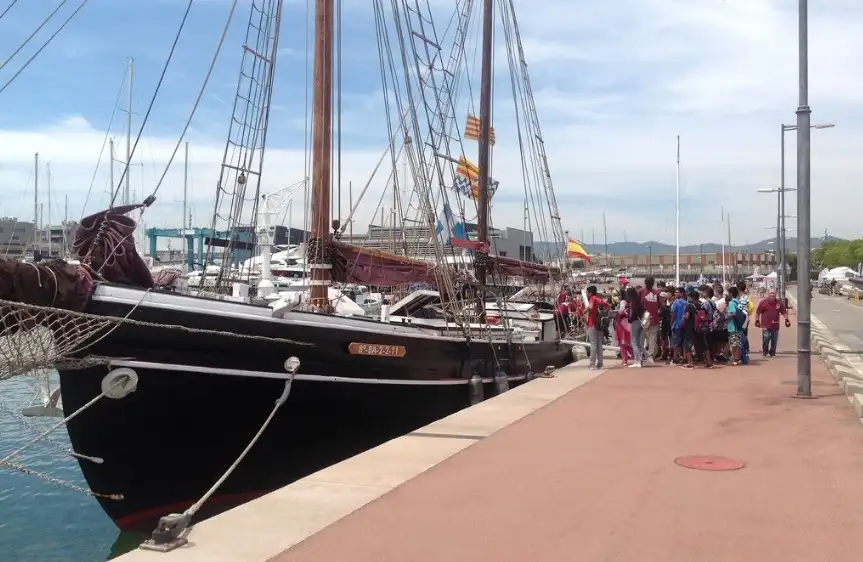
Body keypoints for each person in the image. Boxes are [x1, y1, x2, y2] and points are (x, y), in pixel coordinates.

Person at [755, 289, 791, 357]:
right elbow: (758, 312)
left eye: (774, 293)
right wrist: (757, 321)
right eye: (771, 293)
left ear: (775, 294)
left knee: (774, 340)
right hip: (765, 325)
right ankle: (765, 351)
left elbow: (784, 312)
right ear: (768, 294)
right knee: (766, 338)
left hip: (775, 325)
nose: (772, 295)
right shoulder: (763, 303)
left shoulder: (779, 303)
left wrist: (787, 320)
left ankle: (772, 352)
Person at [586, 285, 611, 370]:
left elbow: (591, 307)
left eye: (587, 292)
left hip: (592, 324)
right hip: (600, 324)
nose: (586, 294)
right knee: (599, 344)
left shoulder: (592, 299)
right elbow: (608, 305)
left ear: (590, 293)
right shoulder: (599, 299)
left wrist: (588, 309)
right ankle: (600, 363)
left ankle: (592, 364)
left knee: (593, 343)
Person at [639, 276, 660, 364]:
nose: (648, 284)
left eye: (650, 283)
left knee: (652, 338)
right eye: (647, 283)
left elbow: (659, 305)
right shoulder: (641, 292)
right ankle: (641, 354)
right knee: (641, 338)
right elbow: (638, 304)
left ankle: (650, 356)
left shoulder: (656, 293)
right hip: (643, 318)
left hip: (653, 318)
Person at [626, 286, 646, 368]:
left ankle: (637, 360)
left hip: (635, 322)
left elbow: (634, 313)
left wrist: (630, 319)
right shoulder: (638, 300)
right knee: (638, 342)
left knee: (633, 341)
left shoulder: (633, 302)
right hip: (641, 322)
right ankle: (640, 359)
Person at [736, 281, 753, 365]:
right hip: (746, 320)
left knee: (741, 338)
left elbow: (742, 310)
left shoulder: (742, 298)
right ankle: (744, 355)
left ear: (738, 288)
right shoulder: (747, 297)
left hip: (742, 320)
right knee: (744, 337)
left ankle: (744, 356)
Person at [726, 286, 743, 365]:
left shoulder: (731, 303)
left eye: (728, 293)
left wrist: (725, 317)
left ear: (731, 294)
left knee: (733, 343)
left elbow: (732, 313)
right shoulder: (738, 301)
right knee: (738, 343)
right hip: (739, 325)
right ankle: (738, 358)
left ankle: (735, 359)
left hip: (733, 326)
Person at [670, 287, 687, 364]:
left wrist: (671, 324)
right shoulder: (686, 303)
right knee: (683, 343)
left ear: (681, 293)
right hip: (684, 325)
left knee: (676, 344)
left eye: (677, 292)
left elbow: (673, 314)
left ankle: (675, 359)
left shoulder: (675, 303)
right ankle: (683, 358)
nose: (675, 293)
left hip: (677, 325)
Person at [615, 298, 633, 366]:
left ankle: (624, 360)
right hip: (626, 328)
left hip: (622, 328)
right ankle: (634, 357)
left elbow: (620, 312)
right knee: (626, 344)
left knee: (623, 345)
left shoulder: (623, 310)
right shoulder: (630, 307)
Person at [658, 292, 672, 363]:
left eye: (661, 297)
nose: (659, 298)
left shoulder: (663, 306)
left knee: (664, 339)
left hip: (665, 323)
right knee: (664, 338)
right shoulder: (665, 306)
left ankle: (665, 354)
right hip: (665, 322)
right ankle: (664, 354)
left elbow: (659, 314)